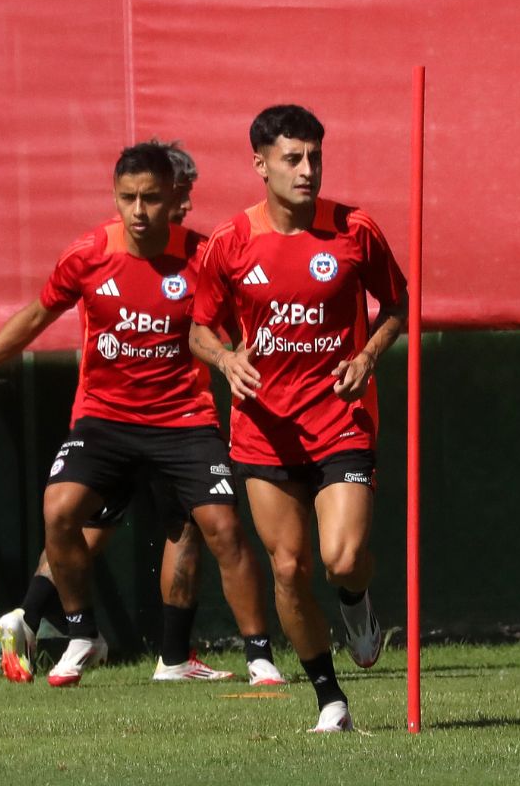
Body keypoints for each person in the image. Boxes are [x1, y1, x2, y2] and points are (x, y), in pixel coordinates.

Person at [0, 141, 284, 688]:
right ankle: (81, 632)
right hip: (106, 418)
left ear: (175, 197)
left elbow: (244, 323)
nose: (140, 211)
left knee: (217, 527)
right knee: (61, 512)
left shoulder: (202, 256)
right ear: (115, 197)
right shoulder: (87, 254)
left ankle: (257, 658)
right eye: (129, 199)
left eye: (151, 198)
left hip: (183, 419)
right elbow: (34, 317)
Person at [189, 105, 408, 731]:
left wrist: (367, 355)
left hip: (338, 413)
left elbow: (397, 304)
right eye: (293, 158)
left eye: (314, 156)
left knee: (341, 559)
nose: (307, 170)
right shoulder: (230, 243)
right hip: (263, 426)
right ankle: (330, 699)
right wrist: (227, 358)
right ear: (260, 164)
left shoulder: (355, 229)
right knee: (287, 566)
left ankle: (356, 600)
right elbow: (199, 330)